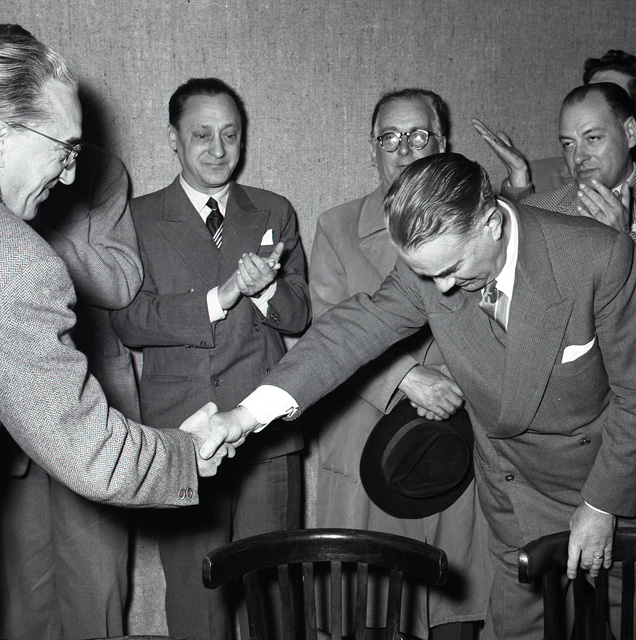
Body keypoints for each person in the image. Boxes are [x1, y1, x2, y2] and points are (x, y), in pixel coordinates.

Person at [201, 152, 636, 640]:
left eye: (451, 269)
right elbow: (347, 334)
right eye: (428, 276)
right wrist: (244, 415)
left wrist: (601, 506)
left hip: (603, 483)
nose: (443, 288)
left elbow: (634, 398)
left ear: (492, 224)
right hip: (513, 489)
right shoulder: (430, 266)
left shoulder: (597, 256)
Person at [0, 34, 228, 640]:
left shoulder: (96, 181)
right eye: (62, 148)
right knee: (23, 596)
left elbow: (123, 281)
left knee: (94, 591)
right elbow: (94, 454)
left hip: (89, 400)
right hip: (66, 425)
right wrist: (188, 452)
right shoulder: (16, 257)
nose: (72, 172)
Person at [110, 77, 311, 639]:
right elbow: (128, 320)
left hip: (266, 433)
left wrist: (266, 291)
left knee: (274, 593)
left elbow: (299, 316)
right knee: (197, 595)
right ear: (173, 138)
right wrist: (217, 300)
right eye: (202, 135)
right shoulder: (136, 218)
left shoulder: (273, 210)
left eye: (230, 134)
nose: (219, 150)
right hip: (183, 435)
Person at [309, 89, 489, 640]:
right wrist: (407, 377)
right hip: (369, 440)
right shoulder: (337, 227)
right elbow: (328, 326)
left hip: (459, 435)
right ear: (373, 150)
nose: (404, 149)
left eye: (418, 136)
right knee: (368, 612)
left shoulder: (481, 221)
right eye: (389, 137)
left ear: (442, 144)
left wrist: (459, 380)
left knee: (454, 607)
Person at [478, 84, 636, 237]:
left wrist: (624, 241)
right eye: (568, 144)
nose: (578, 157)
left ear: (630, 133)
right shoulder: (540, 210)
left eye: (592, 138)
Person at [473, 49, 636, 195]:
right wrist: (519, 181)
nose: (579, 158)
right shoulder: (538, 176)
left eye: (614, 94)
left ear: (630, 129)